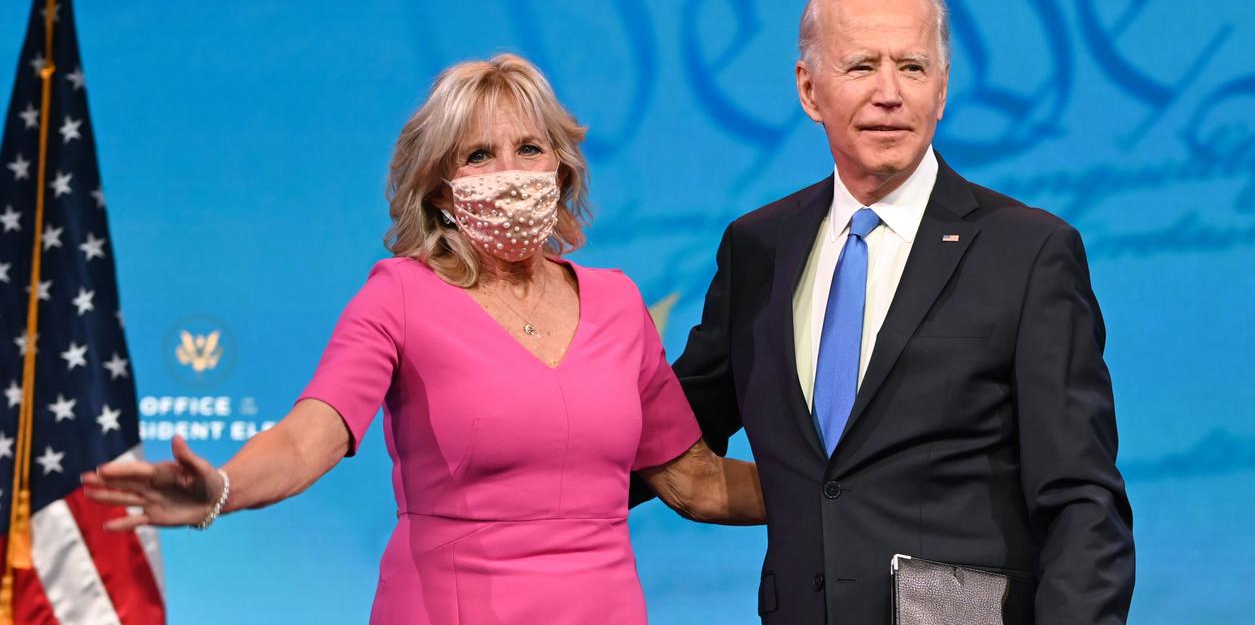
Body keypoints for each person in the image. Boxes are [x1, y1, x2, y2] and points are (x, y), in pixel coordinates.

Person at [83, 53, 765, 624]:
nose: (510, 172)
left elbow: (694, 483)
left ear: (560, 169)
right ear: (440, 190)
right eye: (478, 155)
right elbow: (307, 437)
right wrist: (223, 488)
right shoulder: (399, 296)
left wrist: (851, 495)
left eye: (529, 148)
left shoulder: (617, 302)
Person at [651, 0, 1136, 623]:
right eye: (860, 67)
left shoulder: (1027, 253)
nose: (889, 94)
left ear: (942, 90)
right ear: (808, 89)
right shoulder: (758, 248)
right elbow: (665, 428)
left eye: (912, 67)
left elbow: (1082, 503)